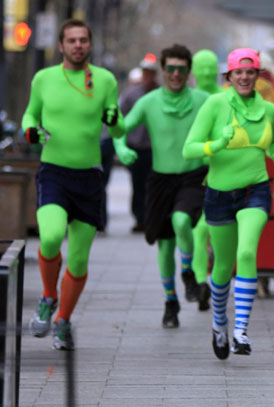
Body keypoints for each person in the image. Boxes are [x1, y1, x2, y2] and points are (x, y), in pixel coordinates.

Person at [22, 19, 125, 350]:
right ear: (62, 46)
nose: (78, 45)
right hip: (53, 171)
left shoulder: (106, 80)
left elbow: (119, 127)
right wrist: (31, 131)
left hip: (89, 177)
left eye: (83, 40)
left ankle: (63, 320)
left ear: (89, 44)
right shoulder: (44, 78)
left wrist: (114, 120)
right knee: (51, 236)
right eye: (71, 40)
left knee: (79, 260)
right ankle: (48, 296)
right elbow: (29, 116)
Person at [183, 48, 274, 359]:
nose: (244, 77)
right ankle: (220, 324)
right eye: (238, 73)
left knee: (247, 252)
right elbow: (189, 149)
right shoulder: (215, 104)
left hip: (255, 190)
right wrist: (216, 144)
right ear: (228, 77)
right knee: (223, 266)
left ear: (257, 76)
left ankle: (241, 331)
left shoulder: (269, 110)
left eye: (250, 72)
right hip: (218, 194)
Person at [114, 44, 210, 328]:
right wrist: (120, 147)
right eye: (170, 69)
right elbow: (121, 128)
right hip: (160, 180)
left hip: (193, 177)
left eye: (181, 69)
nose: (176, 74)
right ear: (163, 70)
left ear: (189, 72)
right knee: (165, 247)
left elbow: (224, 125)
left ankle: (189, 274)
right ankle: (171, 301)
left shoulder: (204, 100)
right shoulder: (149, 101)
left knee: (182, 221)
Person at [190, 48, 224, 310]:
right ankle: (201, 281)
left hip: (221, 171)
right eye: (200, 67)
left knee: (210, 229)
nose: (205, 72)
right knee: (197, 230)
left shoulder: (224, 98)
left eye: (209, 67)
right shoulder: (188, 99)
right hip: (190, 174)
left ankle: (210, 280)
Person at [118, 54, 159, 233]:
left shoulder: (161, 94)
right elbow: (121, 119)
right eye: (145, 72)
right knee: (138, 184)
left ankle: (152, 218)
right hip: (136, 148)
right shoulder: (132, 94)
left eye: (151, 73)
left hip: (156, 149)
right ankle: (139, 218)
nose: (147, 76)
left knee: (154, 186)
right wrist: (122, 145)